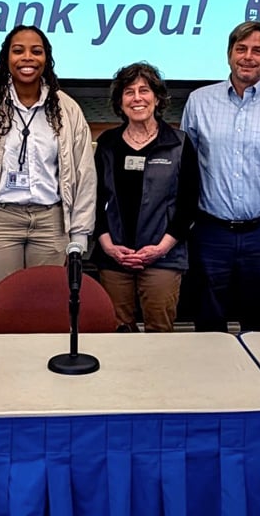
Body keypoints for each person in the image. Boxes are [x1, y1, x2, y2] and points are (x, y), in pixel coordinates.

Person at [0, 25, 97, 296]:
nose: (27, 57)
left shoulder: (68, 110)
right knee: (6, 307)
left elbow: (85, 176)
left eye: (36, 51)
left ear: (46, 59)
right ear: (7, 58)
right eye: (18, 51)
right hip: (0, 224)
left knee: (46, 308)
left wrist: (78, 240)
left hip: (52, 223)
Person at [181, 21, 260, 332]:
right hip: (211, 234)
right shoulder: (199, 102)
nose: (248, 57)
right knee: (208, 330)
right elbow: (185, 170)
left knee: (258, 328)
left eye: (257, 51)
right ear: (229, 54)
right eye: (241, 49)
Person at [92, 62, 199, 332]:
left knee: (159, 334)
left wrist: (160, 249)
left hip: (163, 257)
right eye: (129, 92)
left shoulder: (179, 143)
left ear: (158, 98)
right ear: (120, 101)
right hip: (115, 257)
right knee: (117, 333)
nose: (137, 98)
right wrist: (108, 247)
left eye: (144, 90)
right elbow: (95, 199)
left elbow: (188, 204)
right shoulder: (108, 143)